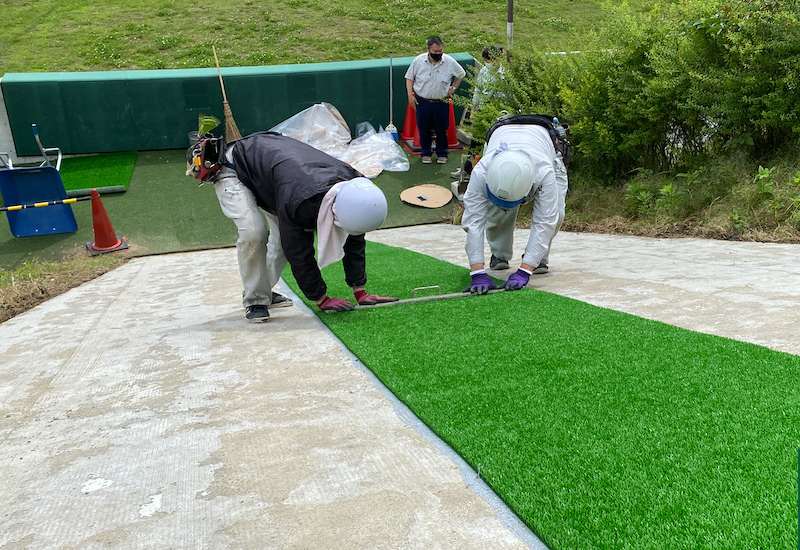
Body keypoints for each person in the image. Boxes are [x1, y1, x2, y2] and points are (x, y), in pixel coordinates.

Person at [186, 131, 397, 322]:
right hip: (234, 168)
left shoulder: (355, 187)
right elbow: (298, 251)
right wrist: (320, 298)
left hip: (275, 173)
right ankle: (255, 300)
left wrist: (359, 289)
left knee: (279, 242)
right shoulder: (301, 202)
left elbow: (355, 235)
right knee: (254, 232)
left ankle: (263, 291)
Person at [461, 119, 569, 294]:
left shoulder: (545, 172)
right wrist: (477, 271)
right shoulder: (481, 172)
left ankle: (536, 259)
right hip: (501, 141)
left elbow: (545, 221)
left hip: (547, 150)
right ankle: (499, 254)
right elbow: (473, 222)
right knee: (498, 213)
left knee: (557, 212)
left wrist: (525, 270)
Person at [404, 35, 466, 165]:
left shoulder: (449, 61)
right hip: (423, 101)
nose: (438, 54)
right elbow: (409, 78)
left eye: (440, 51)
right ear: (428, 49)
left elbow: (461, 73)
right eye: (435, 52)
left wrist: (453, 87)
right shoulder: (418, 61)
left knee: (441, 129)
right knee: (423, 129)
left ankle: (442, 153)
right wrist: (410, 95)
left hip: (441, 101)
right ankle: (425, 153)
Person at [472, 45, 505, 111]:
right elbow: (477, 91)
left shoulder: (505, 74)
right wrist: (473, 111)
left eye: (487, 61)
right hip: (483, 109)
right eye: (485, 61)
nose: (486, 63)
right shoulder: (484, 71)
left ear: (496, 59)